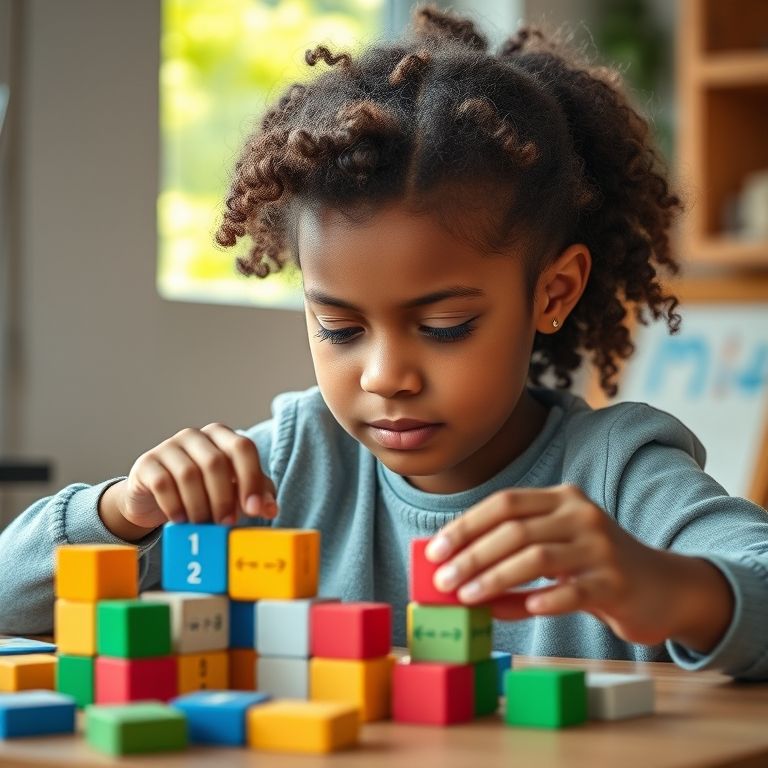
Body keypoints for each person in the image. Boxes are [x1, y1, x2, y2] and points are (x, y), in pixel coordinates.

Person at [1, 5, 766, 680]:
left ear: (553, 293)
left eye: (443, 327)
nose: (385, 376)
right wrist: (122, 512)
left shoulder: (617, 476)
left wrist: (667, 586)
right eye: (338, 328)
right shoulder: (286, 469)